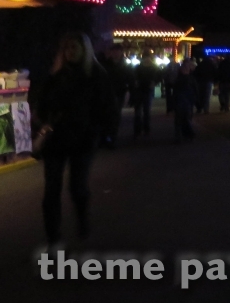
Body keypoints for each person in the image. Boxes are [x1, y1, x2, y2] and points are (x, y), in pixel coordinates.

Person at [37, 32, 115, 245]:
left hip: (83, 139)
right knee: (52, 188)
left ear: (84, 50)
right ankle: (53, 235)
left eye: (74, 48)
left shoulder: (96, 75)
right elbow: (42, 104)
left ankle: (82, 220)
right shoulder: (56, 75)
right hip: (56, 139)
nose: (71, 52)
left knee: (77, 186)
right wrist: (44, 120)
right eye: (67, 48)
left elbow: (106, 107)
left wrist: (101, 133)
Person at [97, 45, 131, 149]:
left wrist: (129, 92)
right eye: (114, 51)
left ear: (121, 52)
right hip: (106, 94)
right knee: (106, 117)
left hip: (119, 94)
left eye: (117, 51)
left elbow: (130, 80)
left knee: (115, 117)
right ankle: (105, 139)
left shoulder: (125, 65)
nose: (115, 53)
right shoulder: (105, 64)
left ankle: (111, 139)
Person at [131, 51, 159, 137]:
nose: (147, 60)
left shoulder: (154, 68)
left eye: (148, 58)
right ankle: (138, 130)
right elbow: (133, 77)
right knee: (138, 112)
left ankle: (146, 129)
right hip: (139, 90)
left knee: (146, 111)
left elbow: (159, 77)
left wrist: (154, 83)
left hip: (147, 90)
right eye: (146, 58)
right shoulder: (138, 68)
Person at [173, 60, 197, 142]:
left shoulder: (181, 78)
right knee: (185, 118)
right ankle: (186, 135)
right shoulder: (189, 78)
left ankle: (182, 135)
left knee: (181, 119)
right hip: (185, 100)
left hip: (184, 100)